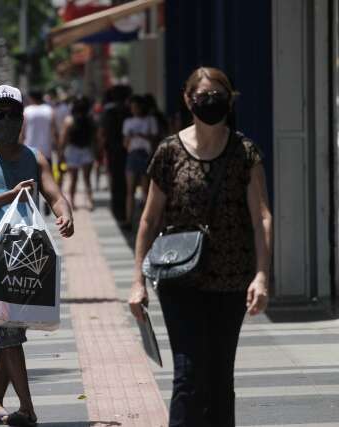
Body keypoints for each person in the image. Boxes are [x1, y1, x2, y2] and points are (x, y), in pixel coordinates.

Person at [128, 67, 272, 427]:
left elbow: (261, 218)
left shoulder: (245, 152)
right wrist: (137, 281)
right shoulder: (168, 152)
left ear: (230, 100)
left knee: (220, 377)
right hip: (180, 278)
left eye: (219, 96)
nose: (212, 103)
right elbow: (148, 220)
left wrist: (262, 276)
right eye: (204, 96)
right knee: (189, 376)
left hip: (232, 278)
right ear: (188, 99)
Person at [0, 84, 74, 427]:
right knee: (8, 331)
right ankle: (27, 407)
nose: (6, 120)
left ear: (22, 118)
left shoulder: (34, 157)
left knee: (8, 330)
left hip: (25, 252)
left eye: (12, 114)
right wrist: (9, 195)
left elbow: (54, 194)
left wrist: (64, 213)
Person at [122, 95, 158, 229]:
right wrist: (130, 137)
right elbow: (125, 144)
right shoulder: (128, 122)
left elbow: (155, 139)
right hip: (132, 154)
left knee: (145, 190)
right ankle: (128, 219)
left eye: (136, 107)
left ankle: (145, 221)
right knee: (130, 189)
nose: (134, 109)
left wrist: (142, 135)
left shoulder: (150, 120)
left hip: (146, 155)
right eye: (132, 107)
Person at [99, 84, 131, 223]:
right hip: (127, 150)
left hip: (112, 149)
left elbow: (102, 133)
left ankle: (117, 210)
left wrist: (100, 149)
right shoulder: (129, 110)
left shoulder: (108, 111)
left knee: (116, 180)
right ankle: (124, 210)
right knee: (126, 182)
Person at [60, 95, 97, 210]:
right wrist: (95, 152)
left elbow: (63, 139)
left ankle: (72, 202)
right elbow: (94, 138)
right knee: (87, 179)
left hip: (72, 150)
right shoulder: (91, 119)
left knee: (73, 179)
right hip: (86, 150)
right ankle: (89, 202)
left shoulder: (69, 120)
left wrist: (61, 153)